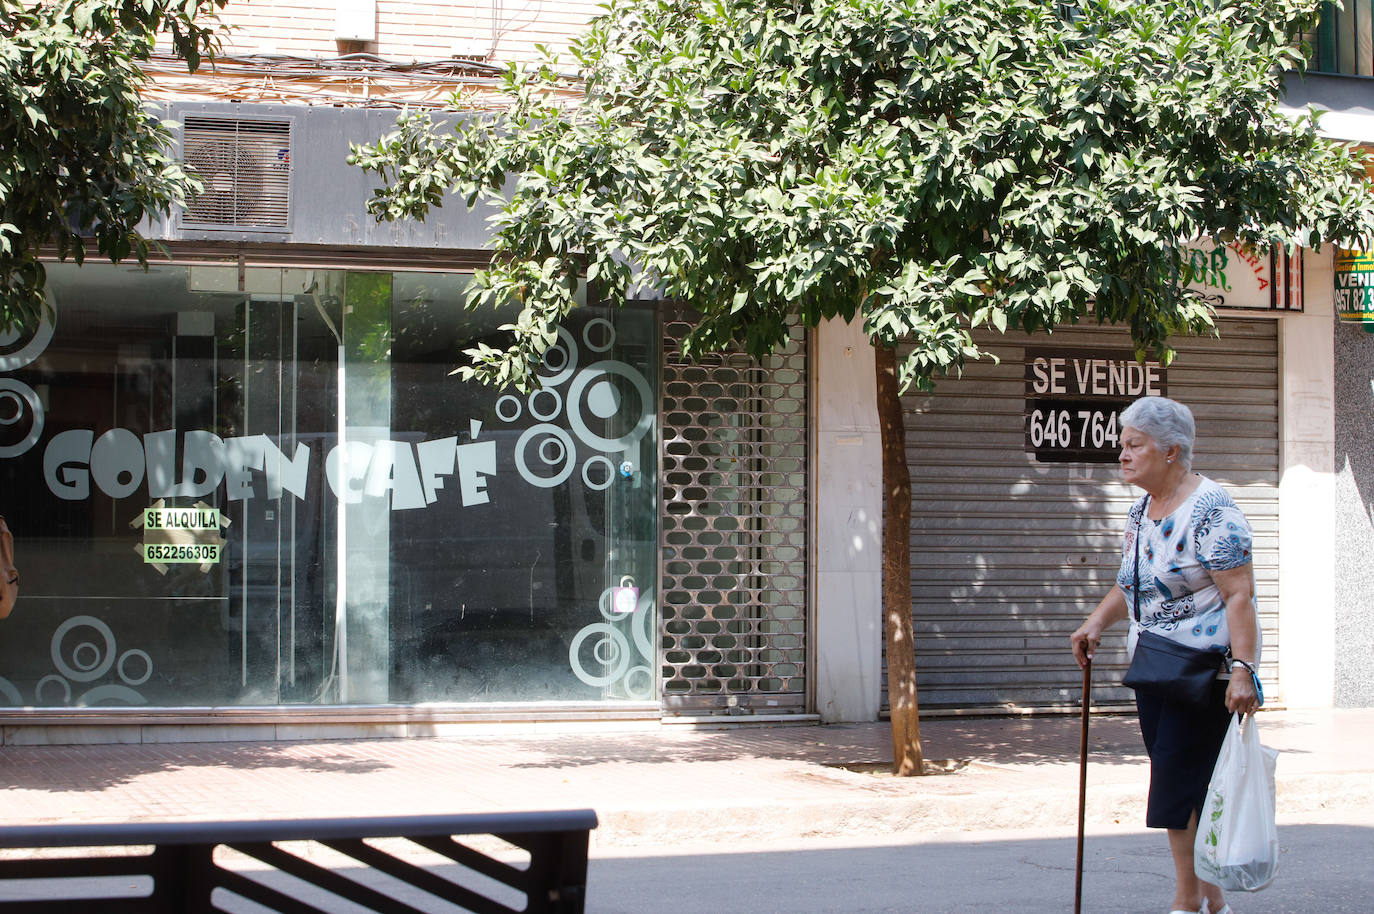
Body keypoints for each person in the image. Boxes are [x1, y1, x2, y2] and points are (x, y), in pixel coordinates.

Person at [1070, 396, 1260, 914]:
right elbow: (1131, 584)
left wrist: (1244, 671)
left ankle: (1187, 897)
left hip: (1202, 670)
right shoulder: (1141, 510)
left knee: (1175, 781)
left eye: (1134, 445)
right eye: (1122, 445)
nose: (1123, 456)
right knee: (1185, 778)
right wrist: (1096, 622)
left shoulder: (1213, 511)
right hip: (1155, 666)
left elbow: (1238, 595)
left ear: (1171, 450)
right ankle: (1212, 894)